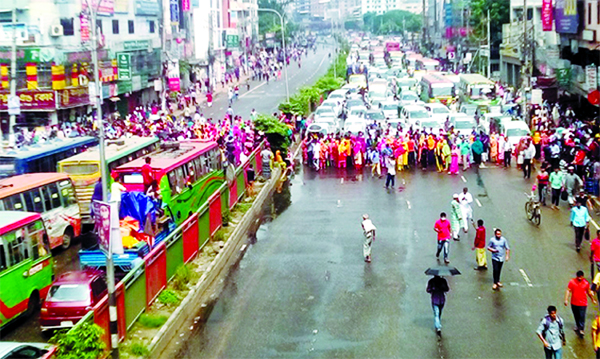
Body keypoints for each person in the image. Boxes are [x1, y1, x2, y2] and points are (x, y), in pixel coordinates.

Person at [564, 270, 597, 337]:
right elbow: (568, 290)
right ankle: (578, 326)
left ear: (583, 276)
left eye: (581, 277)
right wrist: (566, 299)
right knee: (576, 315)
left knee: (582, 316)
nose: (579, 278)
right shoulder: (572, 282)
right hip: (574, 302)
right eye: (578, 277)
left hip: (583, 303)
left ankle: (581, 329)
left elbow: (589, 292)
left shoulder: (586, 283)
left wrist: (593, 299)